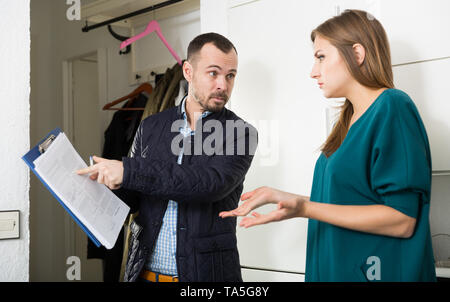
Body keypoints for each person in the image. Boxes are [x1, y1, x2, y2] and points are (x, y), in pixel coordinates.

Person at [220, 10, 436, 282]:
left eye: (321, 57)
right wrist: (287, 199)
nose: (313, 72)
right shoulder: (348, 120)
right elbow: (351, 204)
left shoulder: (392, 107)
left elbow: (402, 220)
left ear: (357, 54)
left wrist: (304, 208)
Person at [77, 32, 258, 282]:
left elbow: (207, 185)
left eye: (230, 75)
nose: (223, 85)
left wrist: (128, 171)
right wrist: (97, 189)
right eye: (213, 73)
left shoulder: (240, 133)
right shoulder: (151, 126)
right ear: (188, 72)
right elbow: (133, 197)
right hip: (144, 275)